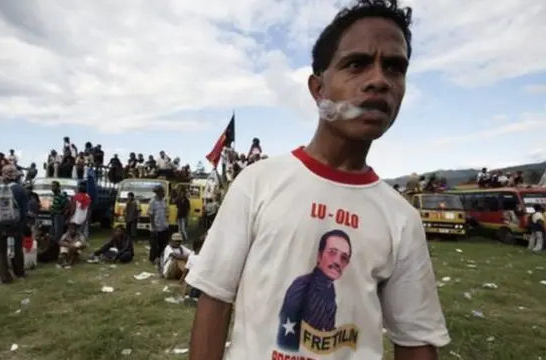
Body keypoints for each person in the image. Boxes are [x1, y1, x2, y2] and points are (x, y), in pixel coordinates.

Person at [186, 1, 449, 359]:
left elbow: (416, 340)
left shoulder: (401, 218)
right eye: (356, 64)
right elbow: (215, 299)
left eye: (394, 68)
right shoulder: (258, 183)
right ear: (318, 89)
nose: (379, 81)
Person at [0, 164, 28, 284]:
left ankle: (4, 276)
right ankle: (19, 272)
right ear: (15, 177)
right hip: (16, 225)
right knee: (17, 249)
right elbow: (24, 210)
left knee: (0, 251)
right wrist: (21, 224)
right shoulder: (21, 190)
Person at [147, 185, 169, 265]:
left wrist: (167, 223)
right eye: (162, 191)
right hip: (156, 228)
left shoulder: (163, 201)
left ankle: (159, 258)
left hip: (164, 227)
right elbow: (151, 215)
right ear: (158, 192)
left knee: (163, 244)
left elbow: (166, 212)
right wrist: (154, 227)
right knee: (154, 245)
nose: (164, 193)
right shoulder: (152, 202)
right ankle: (152, 259)